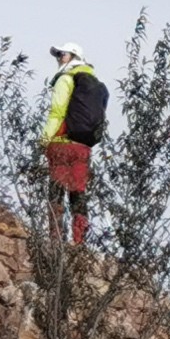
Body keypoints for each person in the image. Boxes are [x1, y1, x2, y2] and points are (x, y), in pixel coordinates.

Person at [37, 44, 106, 244]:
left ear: (73, 56)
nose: (58, 57)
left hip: (61, 143)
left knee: (56, 190)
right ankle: (79, 244)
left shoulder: (66, 79)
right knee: (78, 192)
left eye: (62, 54)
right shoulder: (97, 86)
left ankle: (56, 241)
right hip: (83, 147)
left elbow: (57, 113)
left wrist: (43, 140)